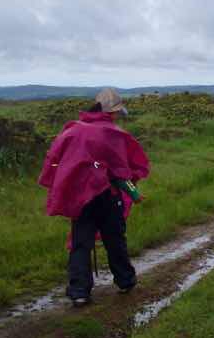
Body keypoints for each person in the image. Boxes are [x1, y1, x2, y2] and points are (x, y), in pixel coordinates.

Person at [38, 88, 150, 306]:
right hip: (108, 197)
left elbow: (55, 159)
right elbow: (120, 172)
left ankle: (79, 292)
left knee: (81, 243)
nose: (118, 116)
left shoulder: (72, 131)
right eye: (117, 112)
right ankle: (126, 281)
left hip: (82, 199)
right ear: (112, 112)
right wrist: (134, 193)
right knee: (115, 240)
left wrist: (60, 180)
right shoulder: (112, 134)